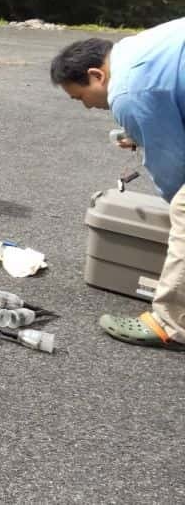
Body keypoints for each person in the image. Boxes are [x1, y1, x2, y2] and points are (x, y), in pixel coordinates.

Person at [50, 18, 185, 351]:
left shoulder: (127, 89)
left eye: (80, 96)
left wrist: (173, 203)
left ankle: (169, 323)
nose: (86, 105)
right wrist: (142, 129)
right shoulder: (134, 49)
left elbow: (172, 166)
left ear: (97, 75)